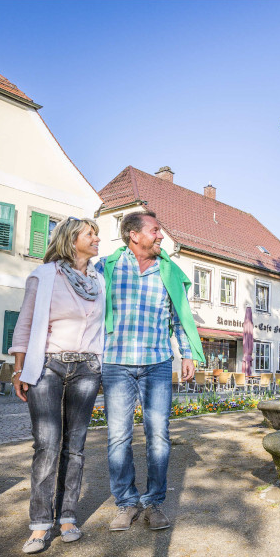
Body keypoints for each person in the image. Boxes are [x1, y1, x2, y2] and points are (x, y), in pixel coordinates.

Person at [98, 210, 205, 532]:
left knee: (159, 435)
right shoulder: (107, 268)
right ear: (134, 235)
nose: (161, 236)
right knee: (119, 437)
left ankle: (154, 503)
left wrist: (187, 355)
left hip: (157, 363)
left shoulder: (168, 272)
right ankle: (126, 504)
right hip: (116, 363)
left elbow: (179, 319)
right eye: (155, 231)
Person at [10, 218, 105, 554]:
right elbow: (24, 324)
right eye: (90, 234)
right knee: (47, 445)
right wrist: (19, 367)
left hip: (87, 368)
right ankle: (39, 525)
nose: (97, 238)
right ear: (70, 239)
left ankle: (67, 517)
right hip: (48, 365)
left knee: (75, 447)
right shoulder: (44, 275)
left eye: (97, 234)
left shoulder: (99, 280)